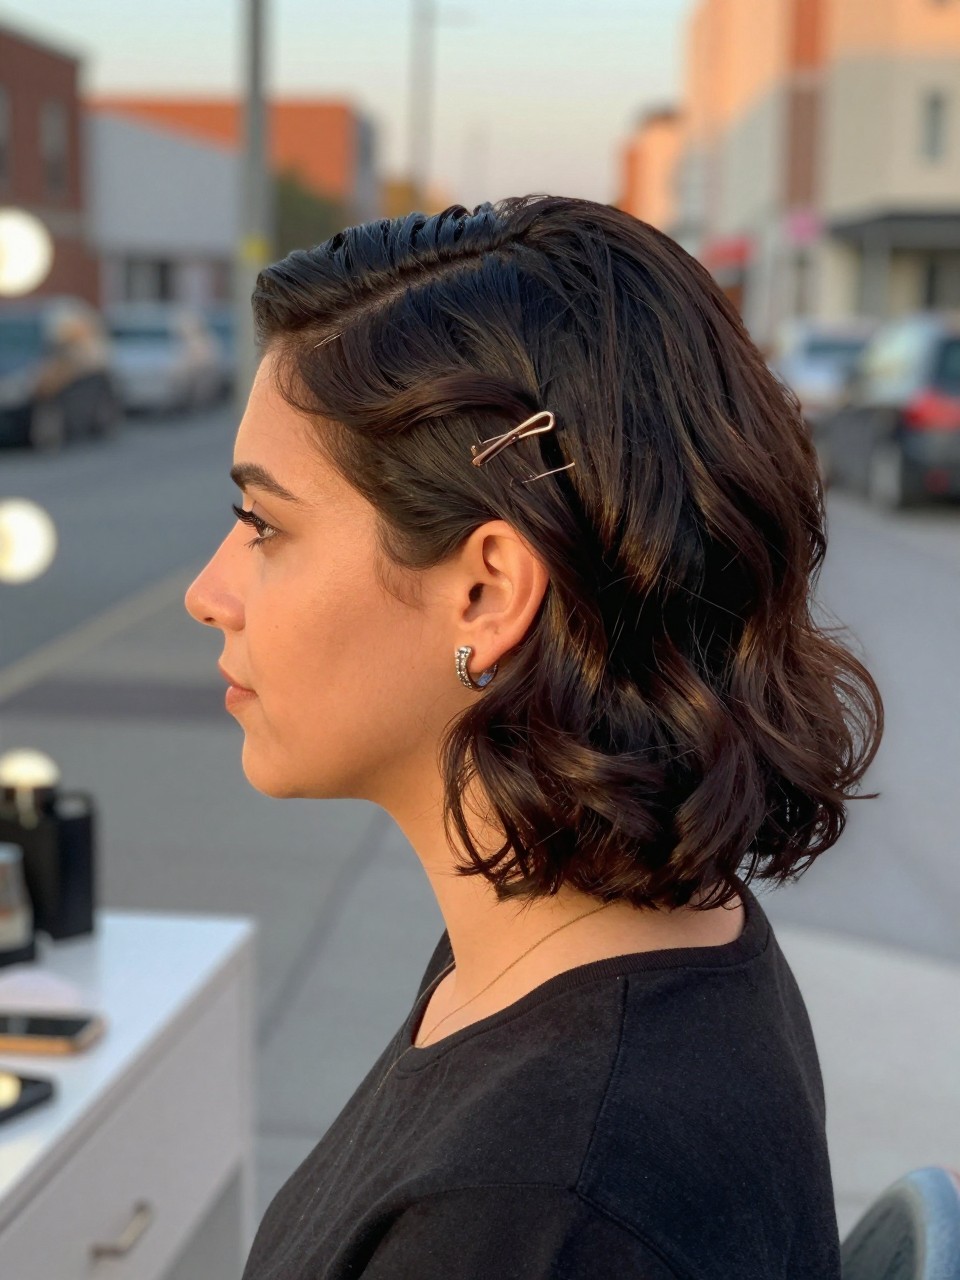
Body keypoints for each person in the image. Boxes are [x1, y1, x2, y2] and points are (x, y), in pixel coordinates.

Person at [184, 194, 883, 1279]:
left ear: (487, 588)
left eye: (265, 525)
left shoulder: (531, 1209)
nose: (208, 591)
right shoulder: (596, 948)